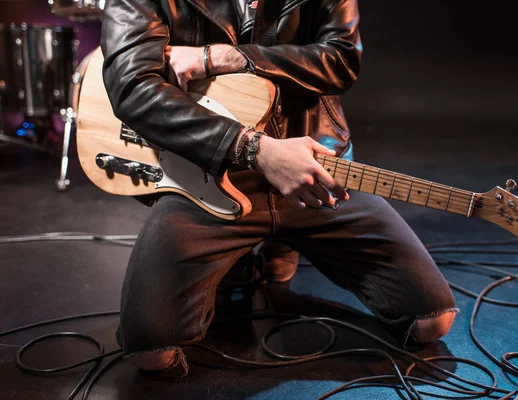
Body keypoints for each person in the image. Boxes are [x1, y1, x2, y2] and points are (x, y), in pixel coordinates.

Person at [101, 0, 457, 373]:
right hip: (205, 173)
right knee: (150, 355)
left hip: (313, 161)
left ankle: (273, 244)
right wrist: (253, 149)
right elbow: (132, 86)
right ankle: (251, 250)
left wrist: (230, 57)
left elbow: (341, 60)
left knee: (432, 320)